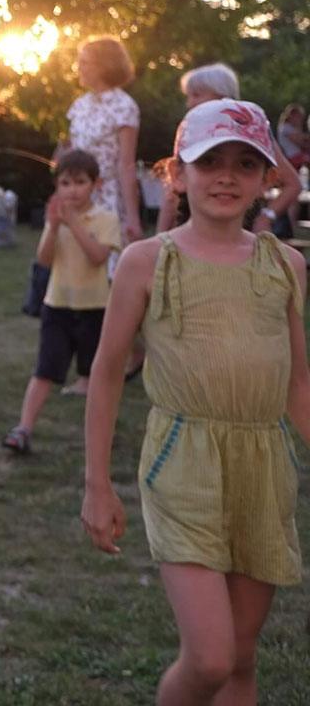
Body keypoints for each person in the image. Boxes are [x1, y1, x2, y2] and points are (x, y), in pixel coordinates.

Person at [82, 99, 309, 705]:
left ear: (267, 178)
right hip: (183, 461)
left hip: (265, 466)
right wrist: (97, 484)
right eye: (210, 162)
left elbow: (298, 384)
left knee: (241, 657)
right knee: (210, 658)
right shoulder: (148, 262)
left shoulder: (286, 265)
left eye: (246, 163)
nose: (227, 177)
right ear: (178, 174)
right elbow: (107, 372)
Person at [2, 150, 121, 452]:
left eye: (80, 182)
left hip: (94, 309)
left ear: (96, 184)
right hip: (56, 306)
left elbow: (98, 258)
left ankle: (102, 434)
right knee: (45, 370)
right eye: (65, 183)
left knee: (96, 375)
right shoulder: (56, 219)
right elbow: (43, 260)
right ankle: (23, 429)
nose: (72, 190)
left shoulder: (106, 219)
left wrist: (73, 223)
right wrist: (54, 226)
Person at [155, 64, 300, 236]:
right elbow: (173, 192)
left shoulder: (252, 133)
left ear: (222, 94)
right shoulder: (193, 132)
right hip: (190, 235)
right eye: (208, 161)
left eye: (196, 95)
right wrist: (160, 237)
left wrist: (265, 218)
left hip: (242, 231)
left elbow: (293, 184)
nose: (189, 102)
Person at [67, 37, 142, 244]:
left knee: (106, 257)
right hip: (77, 196)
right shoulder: (79, 106)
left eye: (84, 62)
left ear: (104, 66)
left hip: (108, 197)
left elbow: (126, 164)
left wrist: (133, 218)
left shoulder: (124, 106)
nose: (78, 68)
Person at [275, 103, 308, 168]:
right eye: (299, 116)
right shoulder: (285, 127)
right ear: (292, 115)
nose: (301, 119)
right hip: (291, 157)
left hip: (296, 156)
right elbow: (300, 143)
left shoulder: (291, 127)